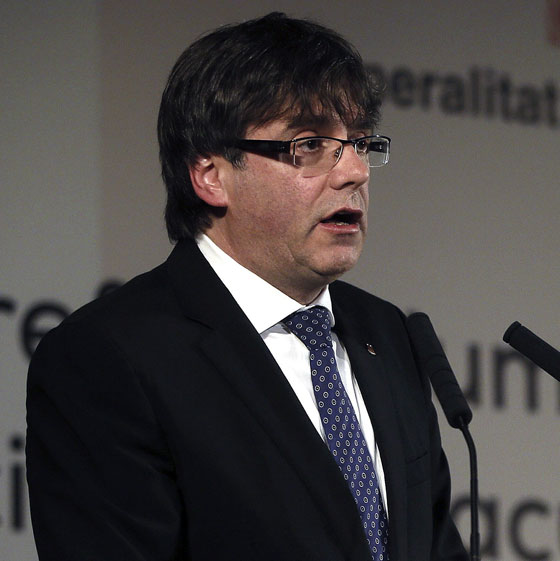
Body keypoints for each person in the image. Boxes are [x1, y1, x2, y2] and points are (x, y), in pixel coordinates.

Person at [25, 12, 469, 561]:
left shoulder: (388, 335)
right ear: (211, 175)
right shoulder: (109, 356)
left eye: (358, 141)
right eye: (309, 144)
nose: (354, 170)